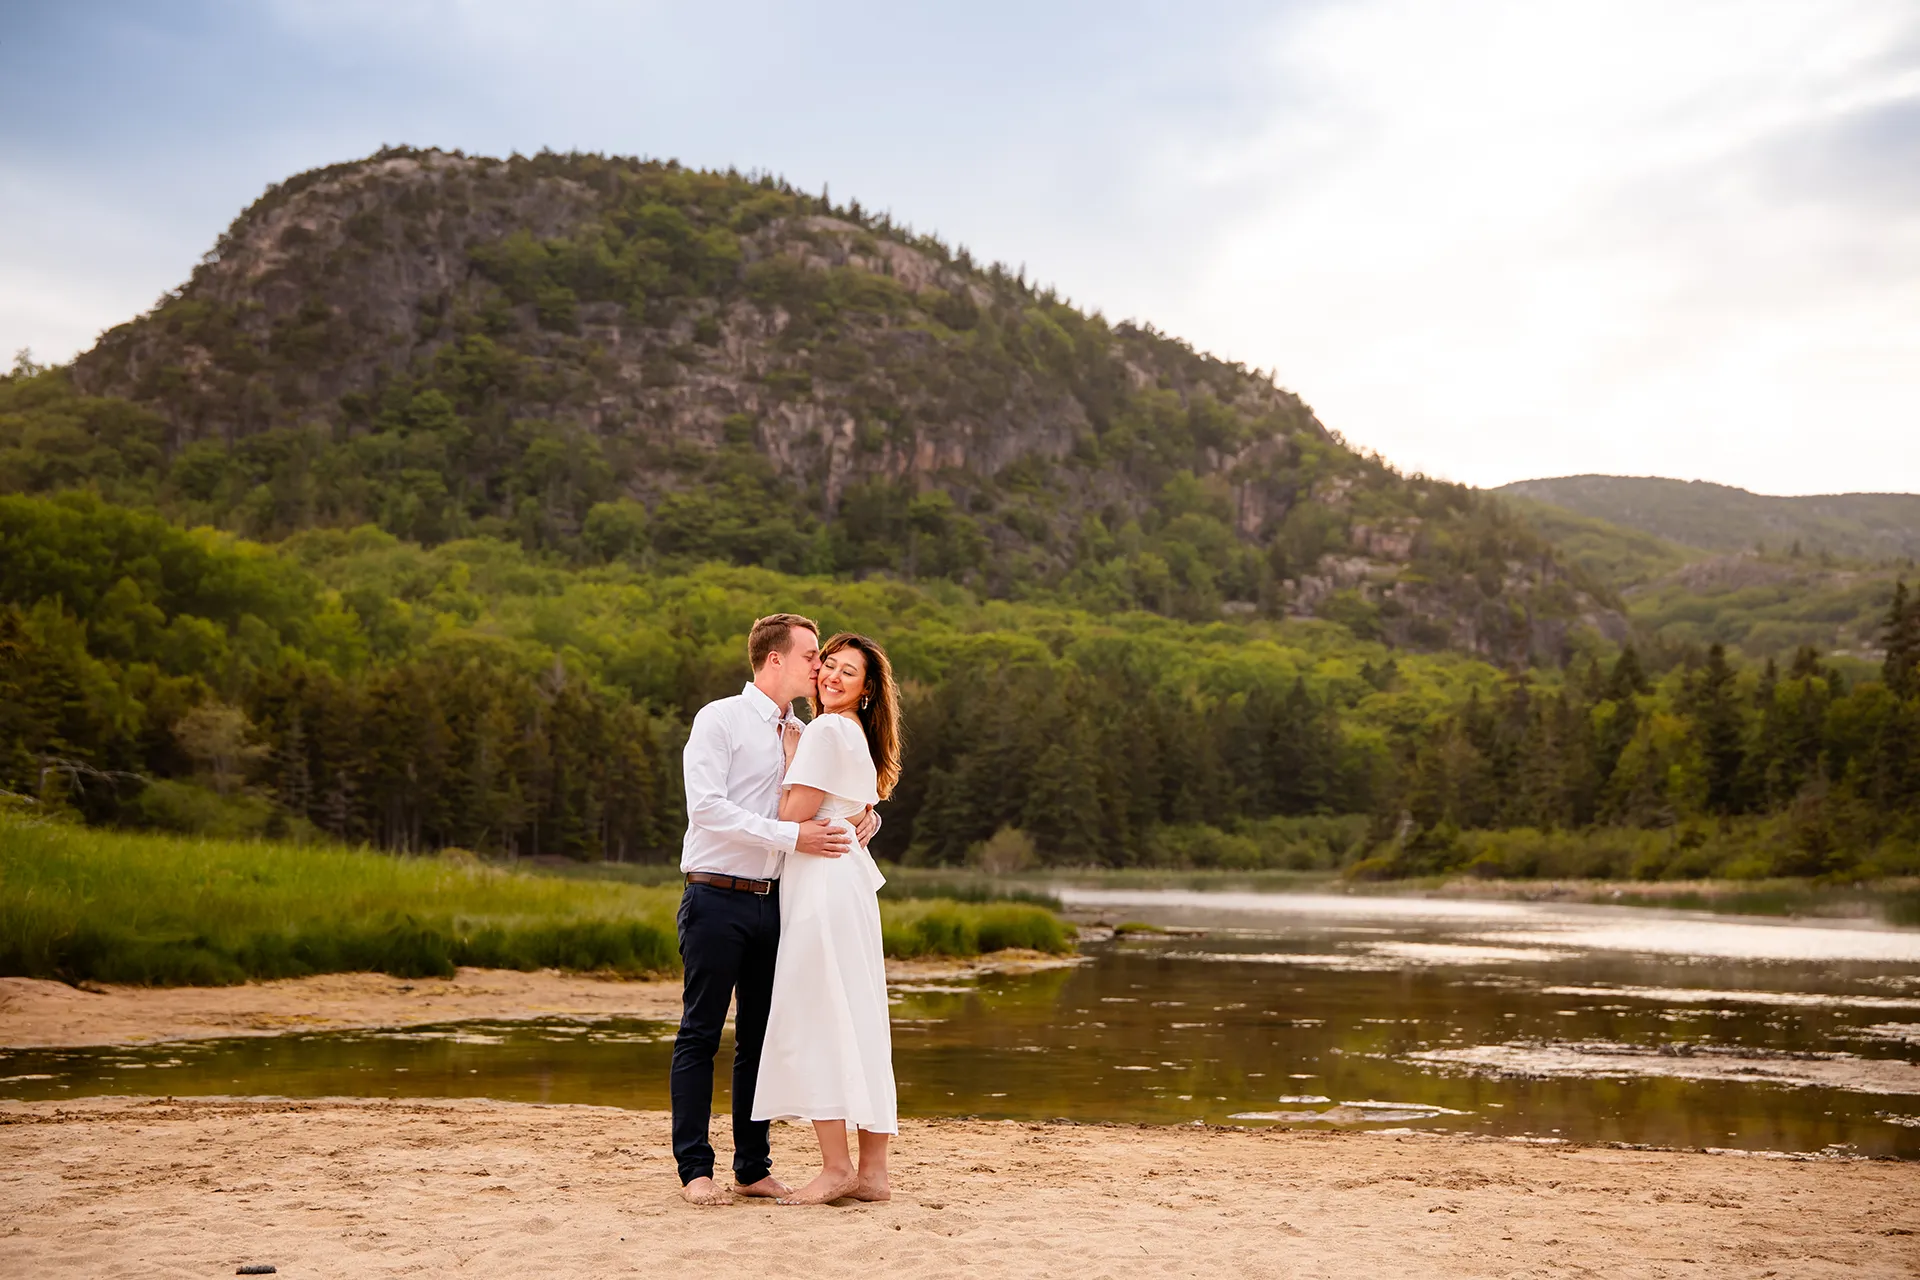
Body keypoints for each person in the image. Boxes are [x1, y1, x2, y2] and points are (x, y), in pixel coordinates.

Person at [670, 613, 880, 1208]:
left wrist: (867, 817)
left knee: (759, 1040)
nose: (820, 665)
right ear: (775, 660)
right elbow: (707, 808)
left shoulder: (807, 729)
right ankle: (695, 1170)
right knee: (701, 1033)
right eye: (813, 654)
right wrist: (795, 838)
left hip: (778, 902)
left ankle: (752, 1166)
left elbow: (835, 794)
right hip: (715, 894)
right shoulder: (720, 719)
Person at [753, 631, 903, 1205]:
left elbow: (794, 812)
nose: (832, 676)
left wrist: (791, 760)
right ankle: (874, 1174)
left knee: (820, 1011)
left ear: (867, 691)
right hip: (851, 884)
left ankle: (836, 1166)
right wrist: (866, 816)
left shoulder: (826, 729)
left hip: (822, 883)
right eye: (828, 665)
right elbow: (856, 807)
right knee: (859, 1011)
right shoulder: (856, 734)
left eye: (849, 672)